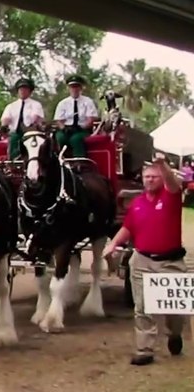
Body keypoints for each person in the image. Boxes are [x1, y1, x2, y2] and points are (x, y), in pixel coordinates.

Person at [104, 158, 188, 366]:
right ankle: (145, 349)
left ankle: (174, 333)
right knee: (142, 307)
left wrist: (163, 166)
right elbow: (128, 227)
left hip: (170, 262)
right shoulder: (138, 203)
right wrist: (113, 244)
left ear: (161, 178)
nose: (150, 180)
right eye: (146, 177)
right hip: (142, 260)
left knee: (176, 310)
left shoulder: (171, 196)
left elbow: (173, 184)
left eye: (154, 176)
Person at [53, 74, 99, 159]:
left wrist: (82, 127)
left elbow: (91, 119)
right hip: (67, 129)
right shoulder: (63, 103)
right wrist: (64, 128)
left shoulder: (88, 102)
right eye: (72, 87)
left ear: (81, 88)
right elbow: (59, 120)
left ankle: (79, 162)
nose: (74, 89)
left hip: (82, 130)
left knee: (76, 139)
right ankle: (60, 160)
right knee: (59, 137)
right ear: (68, 88)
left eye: (77, 87)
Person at [0, 77, 45, 160]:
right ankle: (13, 163)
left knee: (31, 141)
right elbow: (5, 118)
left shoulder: (35, 104)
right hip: (16, 132)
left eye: (25, 89)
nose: (22, 91)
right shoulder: (11, 106)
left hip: (31, 132)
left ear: (29, 91)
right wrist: (4, 125)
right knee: (13, 139)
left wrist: (33, 123)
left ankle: (32, 161)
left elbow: (36, 118)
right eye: (20, 89)